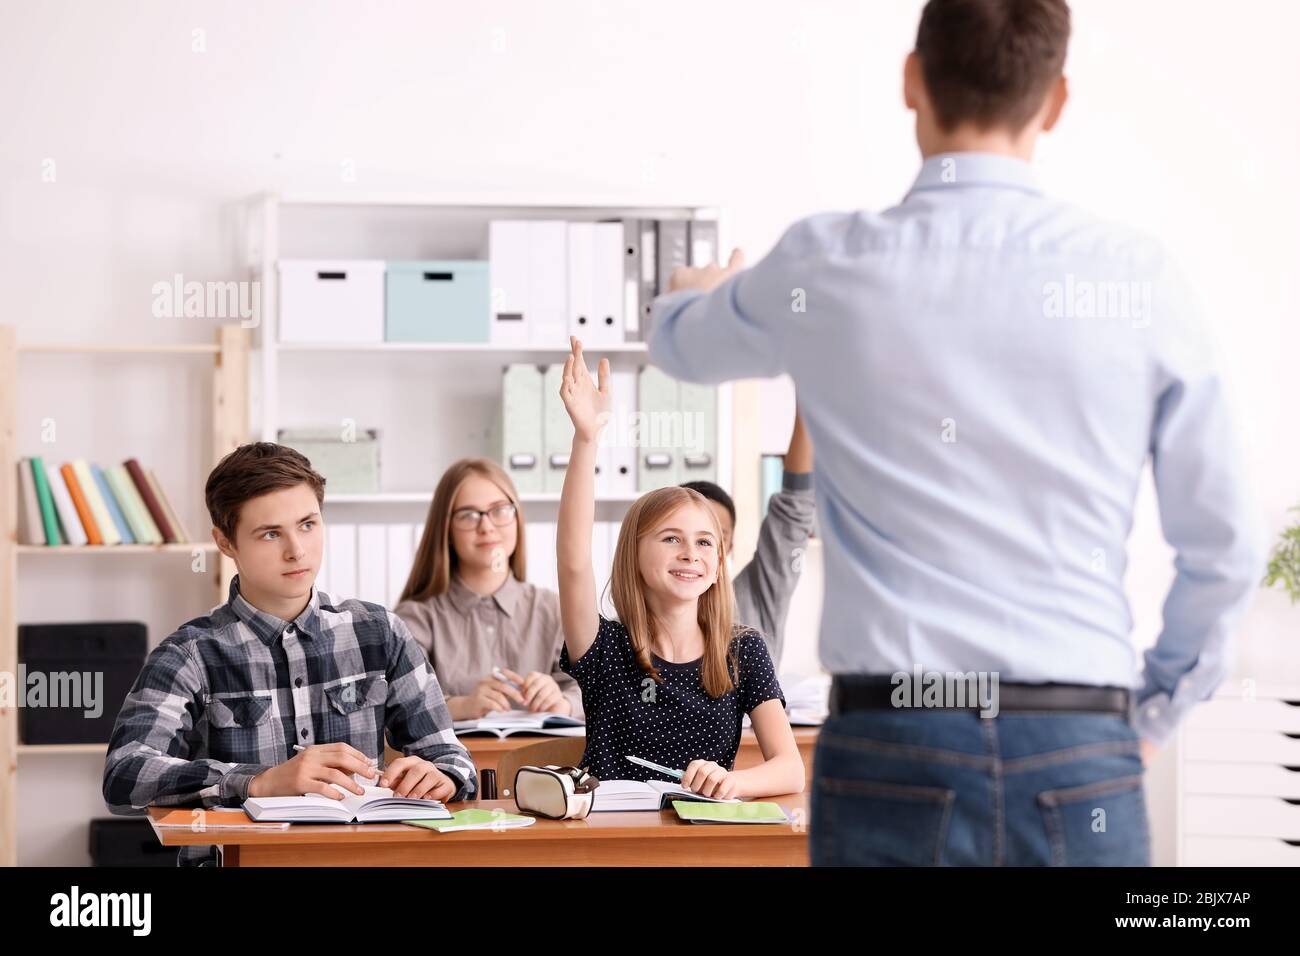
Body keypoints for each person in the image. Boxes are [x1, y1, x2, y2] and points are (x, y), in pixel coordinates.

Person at [644, 0, 1265, 864]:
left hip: (897, 743)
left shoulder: (827, 264)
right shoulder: (1137, 279)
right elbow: (1228, 546)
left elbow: (679, 345)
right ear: (1054, 101)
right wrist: (1149, 717)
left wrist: (687, 288)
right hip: (1077, 737)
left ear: (912, 80)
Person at [103, 443, 476, 864]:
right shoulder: (188, 654)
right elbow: (124, 775)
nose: (296, 550)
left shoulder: (379, 632)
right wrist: (256, 782)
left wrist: (441, 775)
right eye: (270, 533)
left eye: (307, 525)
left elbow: (450, 757)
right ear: (225, 542)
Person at [555, 337, 804, 799]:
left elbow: (790, 769)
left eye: (705, 542)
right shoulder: (604, 645)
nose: (691, 553)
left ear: (717, 565)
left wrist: (733, 781)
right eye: (671, 539)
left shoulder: (742, 650)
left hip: (701, 835)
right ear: (634, 553)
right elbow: (572, 562)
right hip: (615, 840)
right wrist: (586, 439)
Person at [394, 457, 581, 720]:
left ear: (517, 518)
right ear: (446, 529)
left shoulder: (553, 609)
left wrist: (563, 702)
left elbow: (598, 691)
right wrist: (463, 706)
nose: (487, 526)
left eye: (500, 510)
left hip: (542, 759)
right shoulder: (416, 618)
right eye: (469, 515)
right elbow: (401, 706)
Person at [682, 405, 815, 668]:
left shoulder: (749, 617)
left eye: (710, 539)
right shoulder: (629, 628)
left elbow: (793, 509)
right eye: (678, 536)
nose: (693, 553)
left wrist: (810, 400)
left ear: (728, 545)